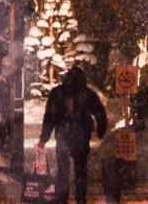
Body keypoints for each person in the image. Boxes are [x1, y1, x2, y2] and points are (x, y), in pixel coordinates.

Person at [38, 66, 109, 204]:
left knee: (63, 170)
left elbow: (49, 117)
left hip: (63, 134)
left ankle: (62, 198)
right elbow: (100, 113)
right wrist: (101, 131)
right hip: (81, 135)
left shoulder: (57, 93)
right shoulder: (87, 94)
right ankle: (80, 199)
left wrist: (44, 138)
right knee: (80, 170)